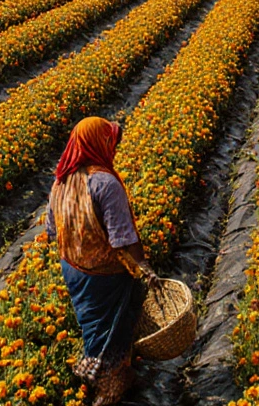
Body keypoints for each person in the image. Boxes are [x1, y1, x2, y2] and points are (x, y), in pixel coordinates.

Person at [46, 117, 156, 405]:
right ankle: (106, 387)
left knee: (93, 324)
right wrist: (144, 266)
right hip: (105, 272)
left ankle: (109, 374)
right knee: (113, 328)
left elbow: (50, 229)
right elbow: (122, 237)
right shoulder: (105, 183)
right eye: (110, 142)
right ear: (97, 144)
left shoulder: (61, 182)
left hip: (72, 268)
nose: (114, 148)